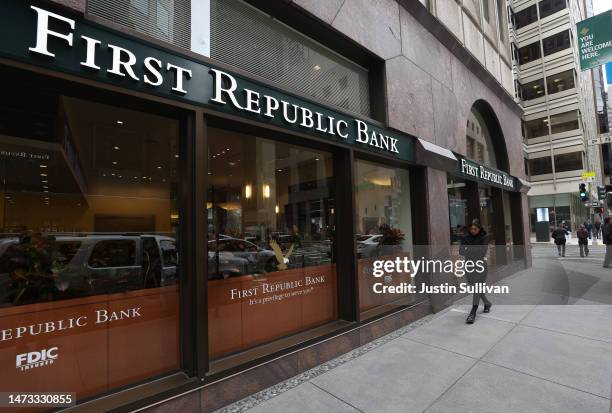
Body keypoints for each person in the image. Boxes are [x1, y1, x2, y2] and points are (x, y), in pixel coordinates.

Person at [459, 220, 491, 324]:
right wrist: (475, 249)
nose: (473, 231)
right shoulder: (465, 237)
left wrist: (469, 249)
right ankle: (487, 303)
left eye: (475, 229)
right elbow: (461, 251)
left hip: (480, 266)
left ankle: (473, 312)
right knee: (476, 288)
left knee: (476, 287)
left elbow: (482, 252)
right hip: (469, 266)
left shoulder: (484, 237)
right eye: (471, 229)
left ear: (479, 229)